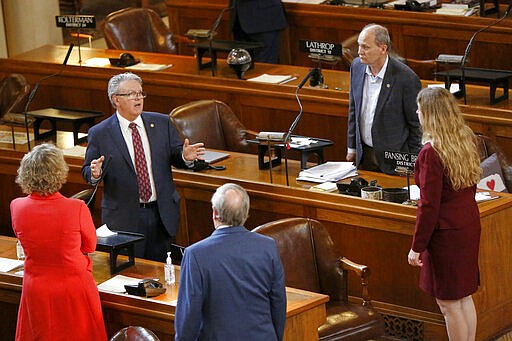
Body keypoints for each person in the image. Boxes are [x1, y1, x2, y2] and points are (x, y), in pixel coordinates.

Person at [82, 72, 204, 262]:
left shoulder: (162, 123)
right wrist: (95, 173)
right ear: (116, 100)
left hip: (161, 213)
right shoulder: (100, 133)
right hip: (124, 218)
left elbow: (176, 155)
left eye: (140, 93)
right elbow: (87, 171)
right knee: (130, 273)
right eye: (131, 94)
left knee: (164, 269)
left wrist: (184, 156)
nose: (138, 97)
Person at [10, 143, 107, 341]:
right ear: (59, 172)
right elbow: (90, 246)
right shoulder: (76, 207)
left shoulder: (17, 206)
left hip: (36, 288)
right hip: (72, 289)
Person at [408, 87, 482, 341]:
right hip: (467, 225)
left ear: (430, 115)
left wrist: (417, 246)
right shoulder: (465, 138)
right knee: (463, 297)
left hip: (446, 235)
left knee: (449, 305)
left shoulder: (431, 152)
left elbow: (428, 205)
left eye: (419, 109)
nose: (416, 112)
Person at [174, 183, 287, 340]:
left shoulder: (195, 254)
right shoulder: (267, 246)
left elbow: (188, 316)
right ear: (246, 213)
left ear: (214, 213)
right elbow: (278, 302)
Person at [346, 23, 422, 174]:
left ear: (382, 48)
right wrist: (352, 147)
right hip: (365, 156)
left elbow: (416, 125)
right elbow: (353, 108)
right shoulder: (356, 66)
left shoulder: (406, 78)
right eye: (359, 46)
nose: (360, 52)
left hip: (394, 160)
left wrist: (412, 161)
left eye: (366, 47)